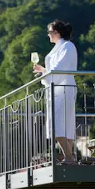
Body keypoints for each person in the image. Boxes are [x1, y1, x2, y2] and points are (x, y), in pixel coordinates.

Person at [33, 20, 78, 164]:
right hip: (58, 88)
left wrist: (46, 73)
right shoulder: (61, 47)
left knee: (58, 125)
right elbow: (56, 71)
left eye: (50, 32)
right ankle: (69, 157)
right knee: (63, 124)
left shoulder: (67, 47)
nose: (48, 35)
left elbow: (60, 70)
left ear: (56, 33)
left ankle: (69, 157)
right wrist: (43, 71)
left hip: (63, 88)